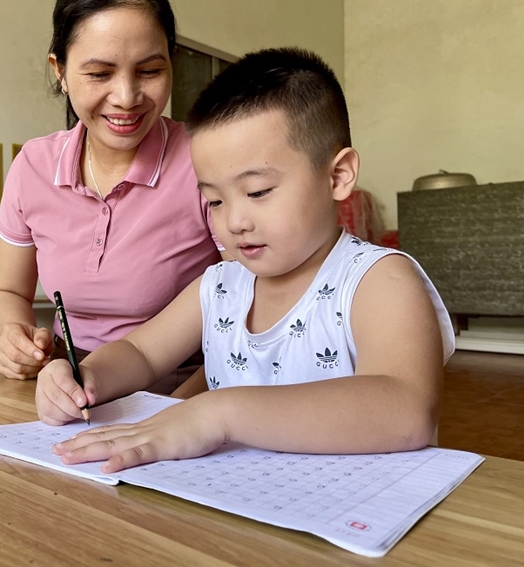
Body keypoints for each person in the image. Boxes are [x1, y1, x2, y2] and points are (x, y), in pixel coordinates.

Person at [35, 47, 455, 474]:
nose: (233, 221)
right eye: (214, 200)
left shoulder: (377, 281)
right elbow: (140, 353)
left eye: (257, 192)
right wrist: (83, 378)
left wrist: (219, 412)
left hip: (354, 518)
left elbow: (406, 411)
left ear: (338, 176)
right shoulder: (219, 287)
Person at [0, 0, 221, 389]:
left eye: (150, 71)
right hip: (68, 386)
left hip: (182, 390)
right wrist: (17, 341)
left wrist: (178, 412)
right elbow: (8, 294)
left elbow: (254, 307)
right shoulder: (33, 166)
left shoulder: (206, 159)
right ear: (60, 71)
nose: (127, 97)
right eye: (99, 73)